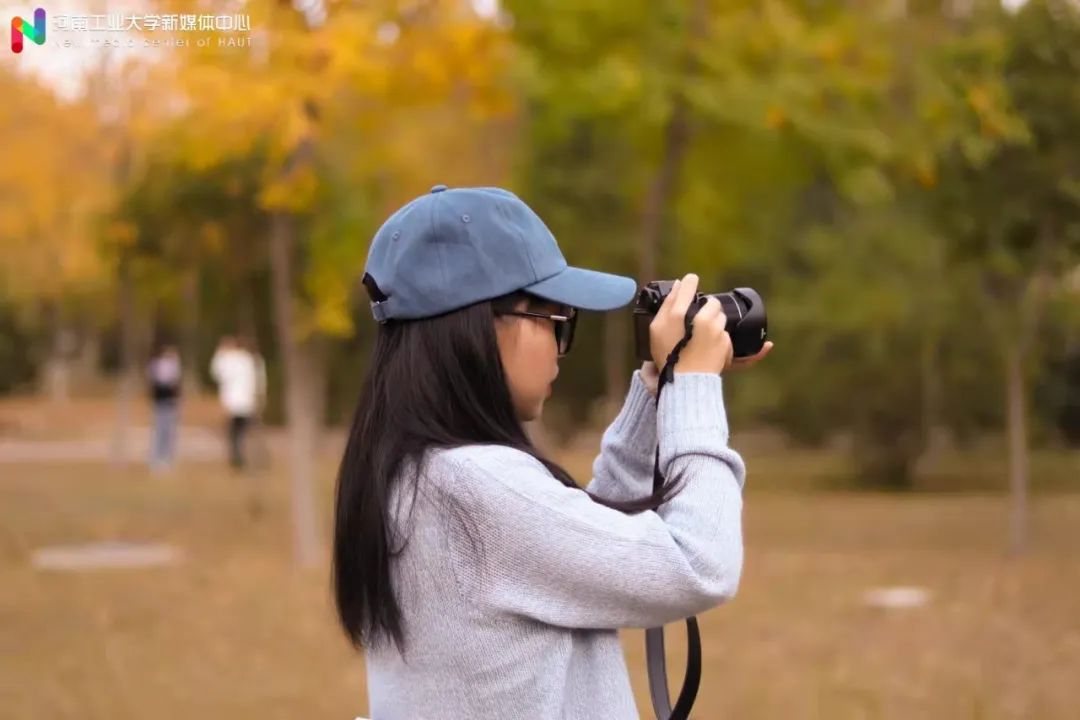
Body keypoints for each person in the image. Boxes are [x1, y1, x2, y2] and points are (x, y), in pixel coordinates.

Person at [332, 185, 773, 719]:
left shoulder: (414, 475)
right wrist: (698, 390)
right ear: (481, 325)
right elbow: (699, 564)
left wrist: (659, 392)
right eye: (557, 321)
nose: (562, 348)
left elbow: (574, 546)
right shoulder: (474, 486)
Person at [210, 334, 266, 471]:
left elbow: (216, 373)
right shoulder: (252, 359)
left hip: (234, 402)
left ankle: (238, 457)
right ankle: (244, 457)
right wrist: (261, 397)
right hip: (246, 401)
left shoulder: (229, 359)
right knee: (242, 431)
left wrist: (219, 353)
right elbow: (260, 380)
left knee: (235, 432)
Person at [147, 344, 182, 472]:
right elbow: (158, 380)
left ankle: (166, 459)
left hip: (170, 402)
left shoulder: (174, 365)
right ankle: (156, 459)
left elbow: (175, 382)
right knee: (159, 430)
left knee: (168, 431)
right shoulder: (157, 365)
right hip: (160, 402)